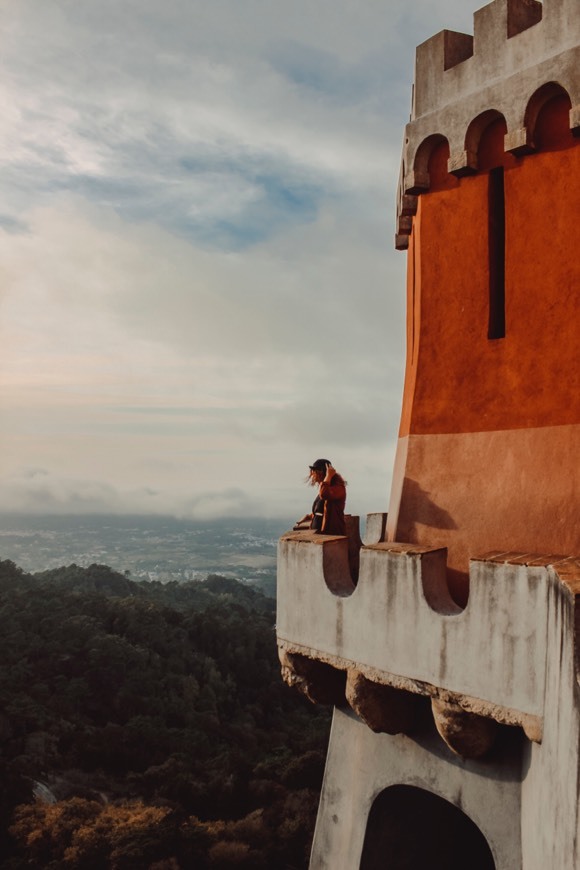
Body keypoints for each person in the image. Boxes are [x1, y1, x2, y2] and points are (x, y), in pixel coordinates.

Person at [293, 459, 347, 536]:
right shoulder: (326, 488)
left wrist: (328, 476)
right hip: (320, 534)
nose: (313, 476)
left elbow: (324, 494)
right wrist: (309, 516)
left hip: (331, 536)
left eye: (314, 472)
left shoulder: (338, 488)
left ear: (321, 473)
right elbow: (323, 510)